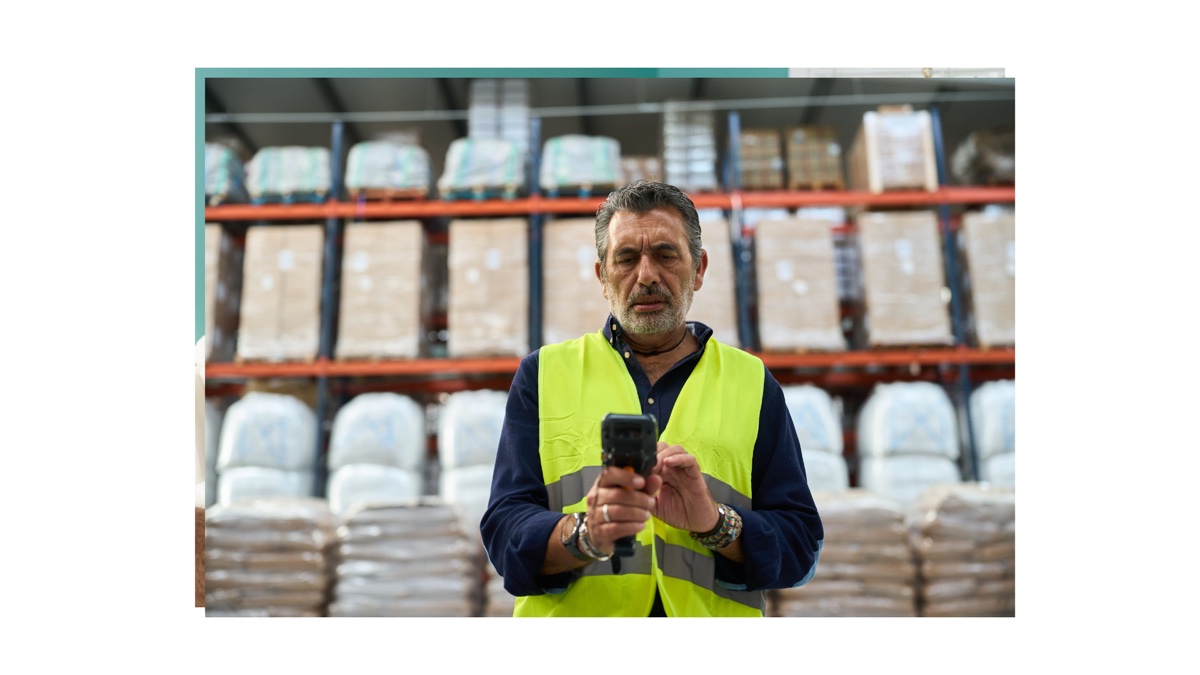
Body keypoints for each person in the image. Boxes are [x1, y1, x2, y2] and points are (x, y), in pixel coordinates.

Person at [480, 180, 823, 617]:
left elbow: (800, 545)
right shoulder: (543, 375)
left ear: (698, 269)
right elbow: (504, 533)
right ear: (602, 276)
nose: (646, 275)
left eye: (665, 254)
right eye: (626, 258)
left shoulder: (752, 383)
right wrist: (585, 534)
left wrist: (715, 523)